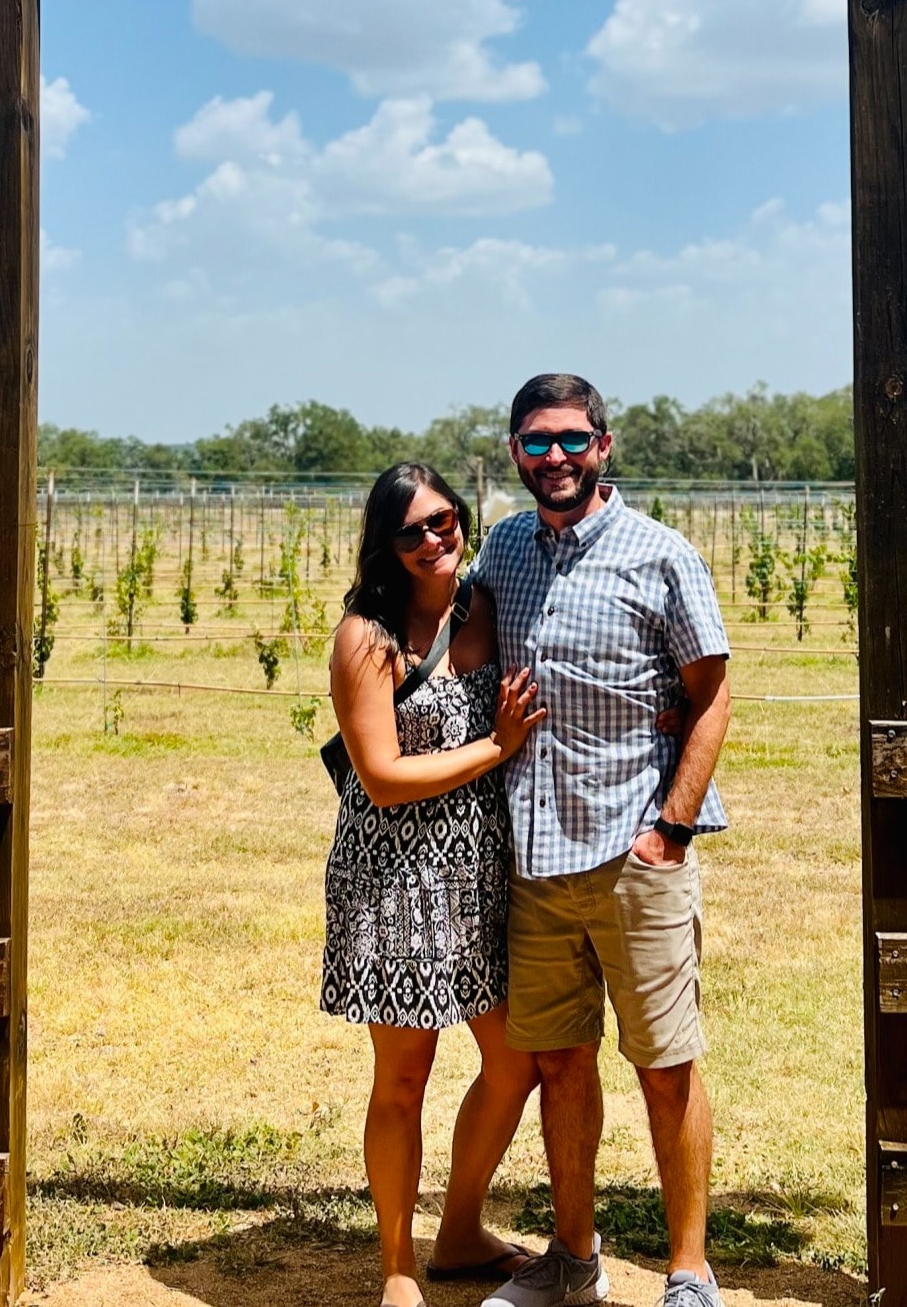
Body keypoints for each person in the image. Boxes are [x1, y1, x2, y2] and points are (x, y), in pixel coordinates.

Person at [471, 374, 734, 1307]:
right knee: (558, 1066)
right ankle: (573, 1261)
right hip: (533, 861)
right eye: (536, 443)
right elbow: (449, 644)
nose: (556, 459)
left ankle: (689, 1268)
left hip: (633, 854)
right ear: (515, 453)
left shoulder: (661, 556)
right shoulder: (501, 551)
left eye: (571, 440)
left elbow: (711, 696)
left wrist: (671, 827)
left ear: (605, 445)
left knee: (666, 1065)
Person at [322, 462, 549, 1307]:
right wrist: (496, 749)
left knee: (516, 1059)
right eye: (412, 529)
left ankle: (458, 1230)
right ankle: (395, 1265)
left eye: (443, 519)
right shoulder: (366, 636)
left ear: (463, 518)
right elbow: (380, 776)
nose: (432, 539)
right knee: (403, 1077)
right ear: (386, 544)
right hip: (392, 879)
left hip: (481, 874)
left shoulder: (487, 606)